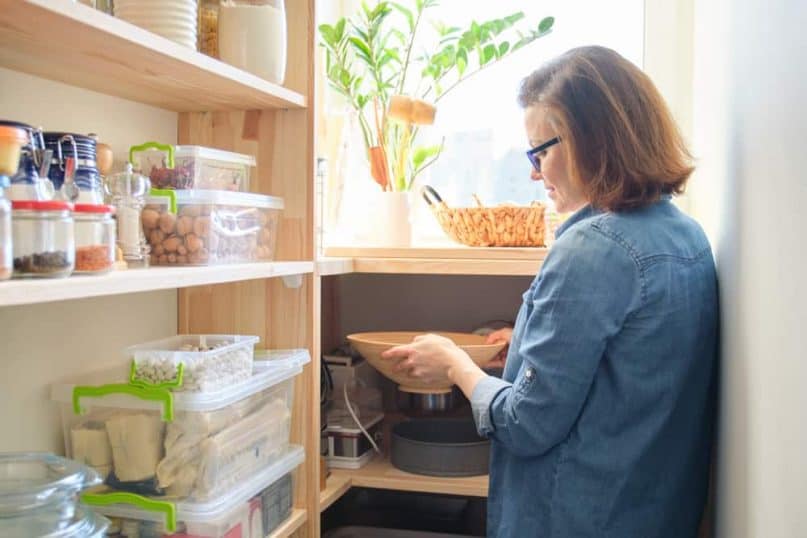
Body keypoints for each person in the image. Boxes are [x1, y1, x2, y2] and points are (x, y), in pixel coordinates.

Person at [382, 45, 718, 538]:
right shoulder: (686, 237)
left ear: (595, 141)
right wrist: (520, 347)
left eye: (541, 151)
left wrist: (455, 364)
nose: (535, 172)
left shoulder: (591, 248)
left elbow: (525, 424)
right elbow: (624, 374)